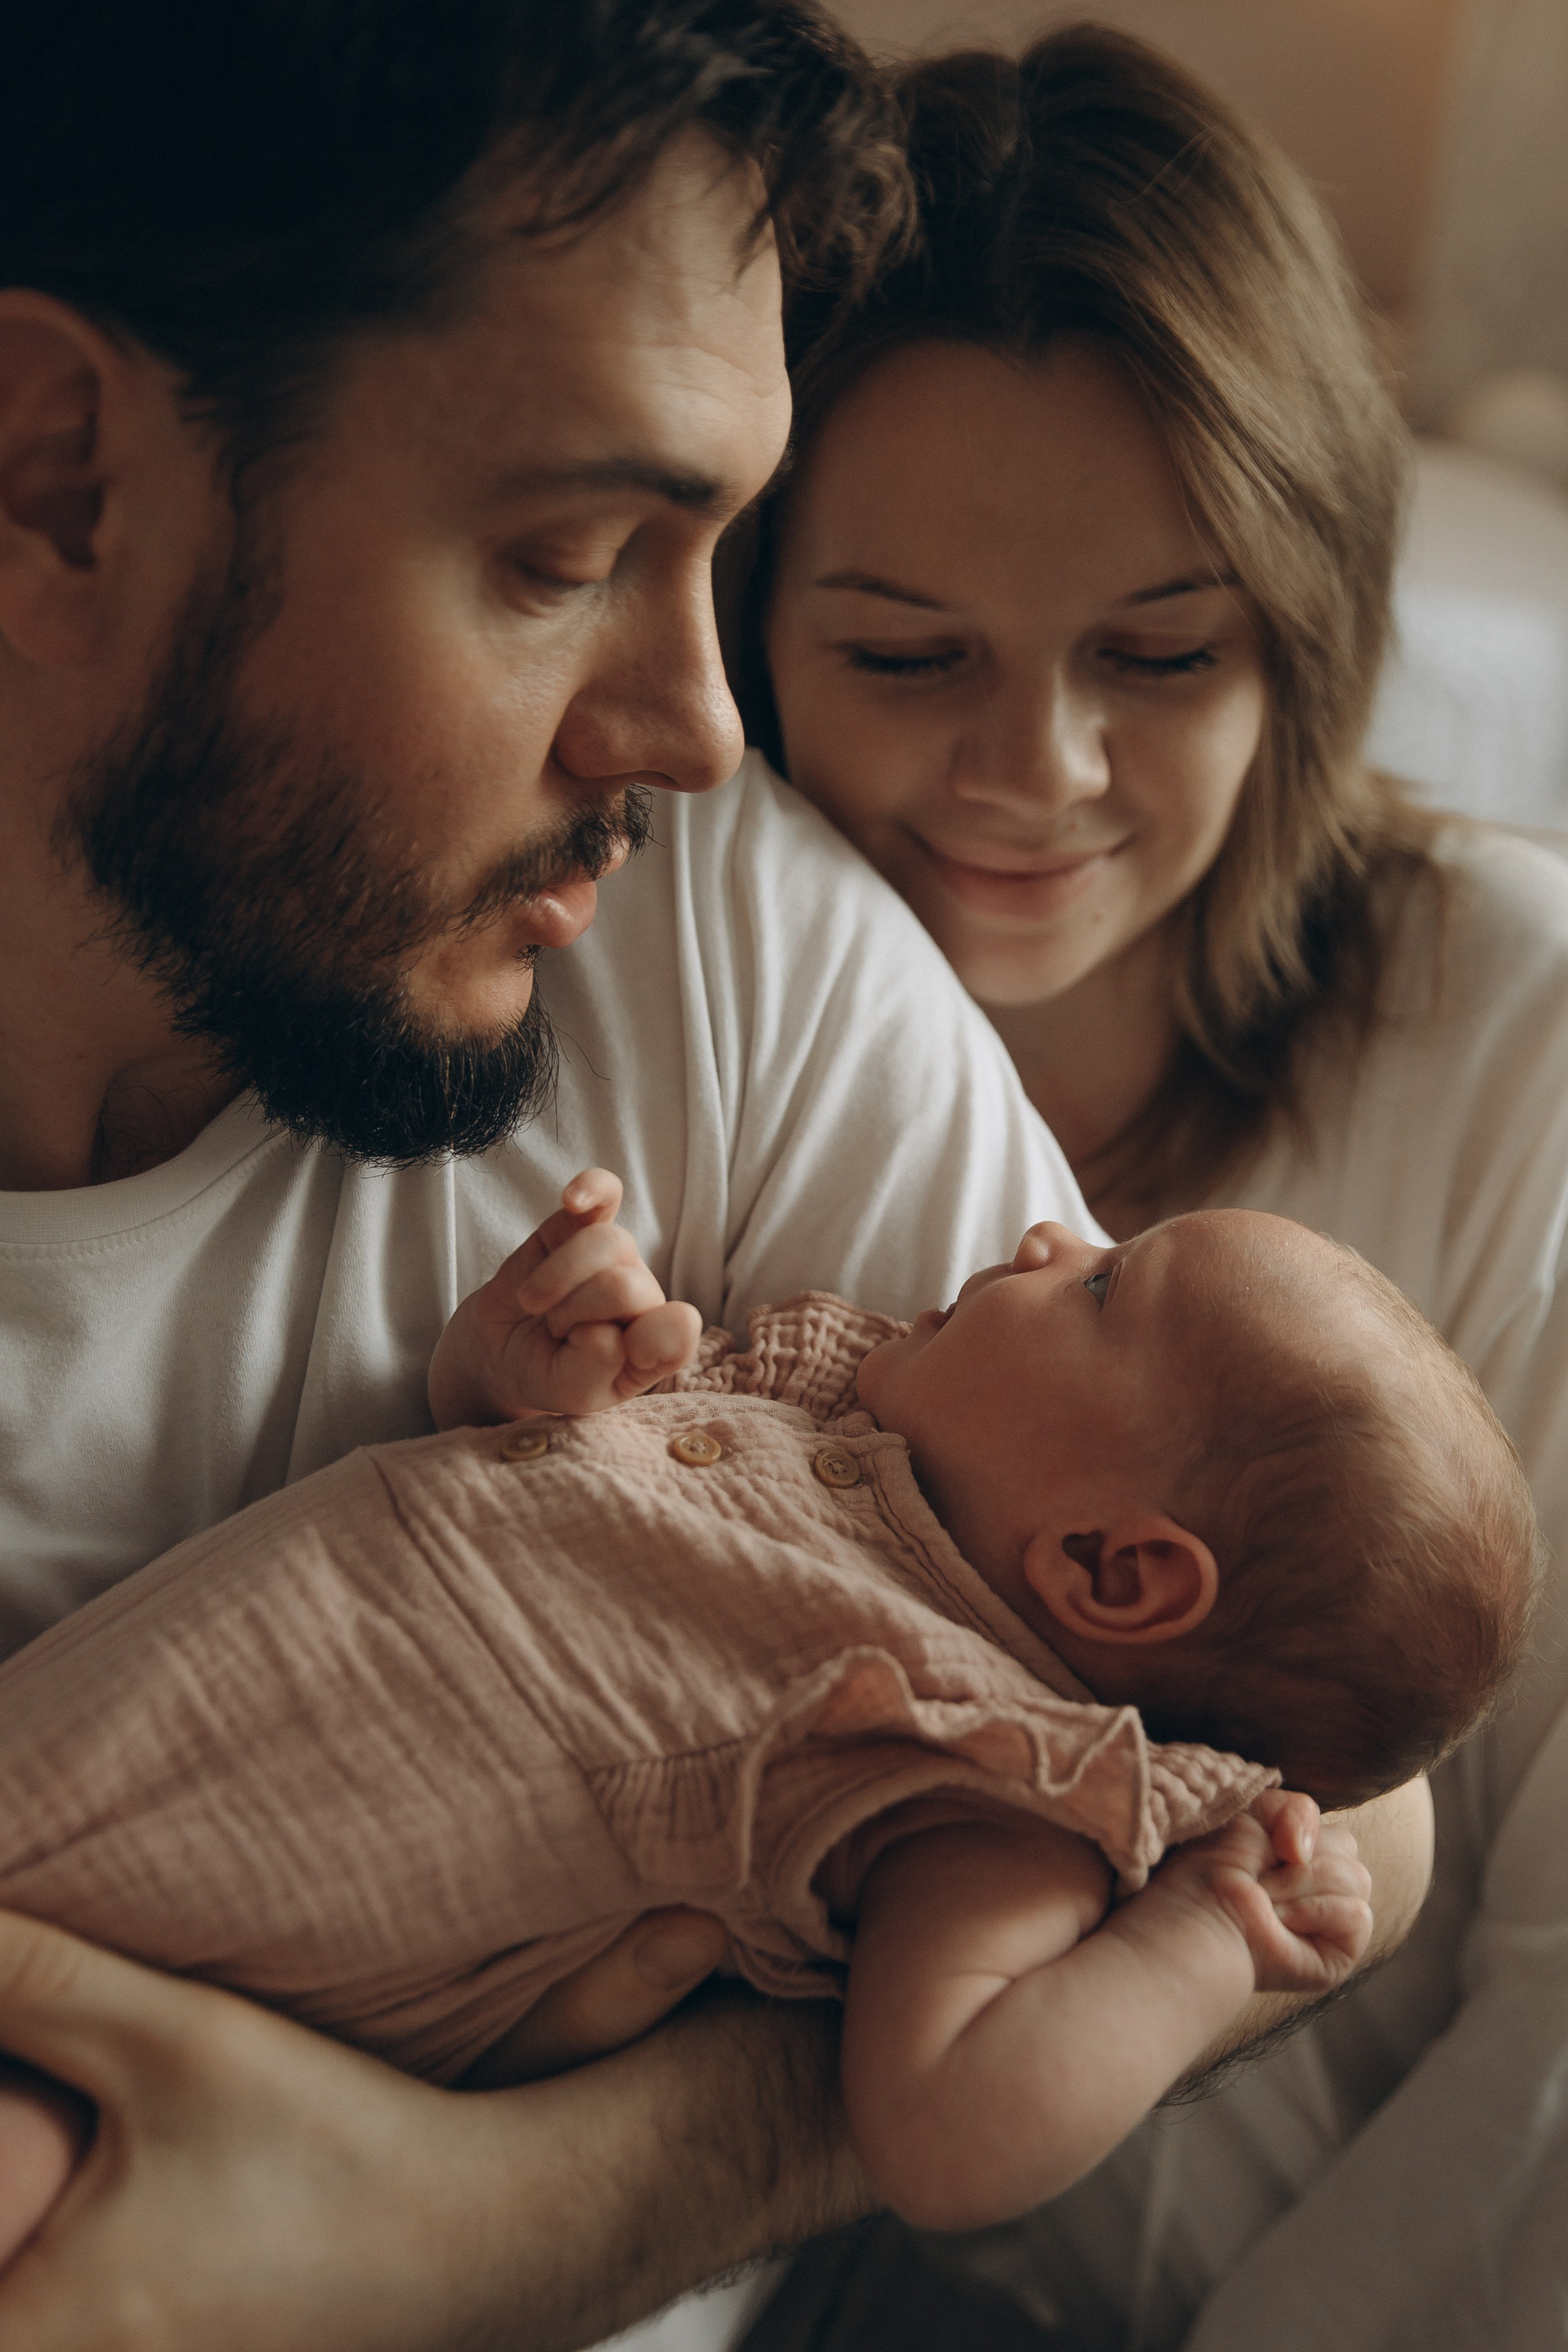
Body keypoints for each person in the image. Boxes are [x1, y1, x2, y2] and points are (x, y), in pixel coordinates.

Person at [0, 7, 1431, 2343]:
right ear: (60, 474)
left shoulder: (699, 923)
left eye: (720, 556)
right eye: (566, 553)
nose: (697, 726)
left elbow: (1347, 1784)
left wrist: (459, 2219)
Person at [750, 24, 1568, 2351]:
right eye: (904, 653)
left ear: (1303, 636)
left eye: (1165, 653)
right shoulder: (708, 1016)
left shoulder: (1513, 1034)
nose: (1037, 773)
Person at [0, 1169, 1534, 2264]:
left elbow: (952, 2138)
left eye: (1104, 1284)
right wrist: (506, 1378)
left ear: (1110, 1570)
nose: (1049, 1227)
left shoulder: (972, 1766)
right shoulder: (819, 1418)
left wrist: (1201, 1941)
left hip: (120, 2026)